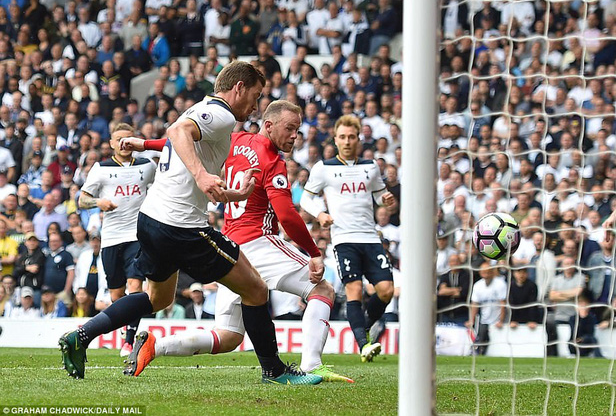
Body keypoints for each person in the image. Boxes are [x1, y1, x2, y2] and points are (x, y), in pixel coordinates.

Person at [59, 61, 320, 385]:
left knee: (158, 299)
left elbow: (181, 152)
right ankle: (274, 371)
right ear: (237, 87)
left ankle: (81, 335)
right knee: (255, 289)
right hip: (182, 228)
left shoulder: (204, 113)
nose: (255, 107)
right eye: (254, 96)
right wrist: (201, 174)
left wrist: (232, 193)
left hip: (151, 219)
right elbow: (177, 133)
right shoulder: (221, 114)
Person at [121, 100, 351, 382]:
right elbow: (287, 215)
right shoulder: (271, 159)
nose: (295, 136)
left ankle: (157, 346)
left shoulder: (234, 140)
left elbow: (181, 144)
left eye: (298, 130)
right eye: (290, 128)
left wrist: (143, 144)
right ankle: (312, 365)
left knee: (228, 336)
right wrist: (314, 252)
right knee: (323, 289)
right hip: (260, 241)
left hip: (231, 252)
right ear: (269, 125)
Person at [300, 114, 396, 362]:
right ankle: (364, 344)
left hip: (370, 237)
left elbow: (380, 197)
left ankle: (362, 325)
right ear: (335, 138)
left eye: (351, 137)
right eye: (342, 137)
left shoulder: (370, 167)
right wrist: (320, 213)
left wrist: (388, 201)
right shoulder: (324, 168)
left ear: (358, 139)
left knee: (386, 290)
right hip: (344, 239)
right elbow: (306, 198)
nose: (347, 141)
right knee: (354, 289)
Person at [78, 123, 156, 356]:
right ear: (111, 144)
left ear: (134, 141)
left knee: (135, 286)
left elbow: (162, 189)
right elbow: (82, 200)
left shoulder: (147, 166)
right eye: (119, 139)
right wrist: (98, 203)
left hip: (137, 235)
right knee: (116, 294)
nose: (124, 143)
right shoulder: (101, 168)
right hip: (111, 238)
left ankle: (129, 341)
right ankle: (125, 332)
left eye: (128, 139)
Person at [466, 263, 507, 355]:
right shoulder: (478, 285)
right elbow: (475, 304)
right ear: (480, 273)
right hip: (484, 319)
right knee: (482, 334)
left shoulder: (500, 284)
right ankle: (479, 351)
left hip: (498, 320)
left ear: (492, 272)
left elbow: (503, 304)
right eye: (484, 272)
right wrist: (471, 320)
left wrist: (501, 321)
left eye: (488, 272)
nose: (486, 274)